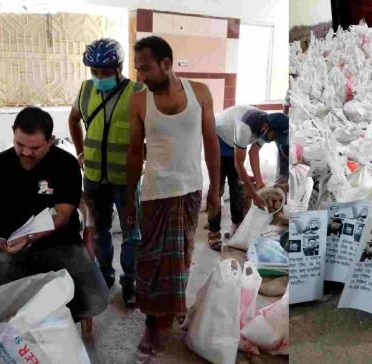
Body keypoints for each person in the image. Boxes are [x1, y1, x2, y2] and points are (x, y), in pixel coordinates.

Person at [0, 107, 108, 323]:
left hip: (60, 245)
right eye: (19, 144)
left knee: (95, 299)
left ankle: (53, 325)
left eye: (34, 148)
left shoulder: (65, 165)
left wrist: (30, 237)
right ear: (13, 133)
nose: (25, 153)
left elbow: (62, 214)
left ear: (50, 140)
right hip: (8, 248)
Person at [125, 35, 221, 356]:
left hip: (190, 190)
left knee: (182, 257)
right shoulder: (139, 101)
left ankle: (174, 305)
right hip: (155, 194)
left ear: (166, 64)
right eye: (138, 69)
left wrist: (216, 192)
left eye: (146, 68)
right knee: (151, 261)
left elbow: (211, 144)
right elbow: (134, 153)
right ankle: (152, 323)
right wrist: (128, 198)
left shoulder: (200, 94)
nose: (141, 75)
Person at [68, 38, 145, 307]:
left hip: (125, 180)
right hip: (93, 179)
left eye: (105, 72)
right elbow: (73, 119)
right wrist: (80, 151)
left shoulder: (137, 92)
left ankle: (130, 281)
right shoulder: (86, 90)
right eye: (94, 72)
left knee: (131, 234)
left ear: (119, 67)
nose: (99, 77)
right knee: (99, 230)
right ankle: (104, 274)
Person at [207, 104, 288, 250]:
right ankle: (213, 233)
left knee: (236, 187)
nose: (274, 140)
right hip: (217, 139)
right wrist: (253, 193)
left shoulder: (266, 129)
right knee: (217, 188)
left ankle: (237, 226)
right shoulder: (246, 127)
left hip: (234, 144)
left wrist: (259, 183)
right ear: (266, 127)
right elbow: (239, 164)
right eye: (275, 137)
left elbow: (253, 153)